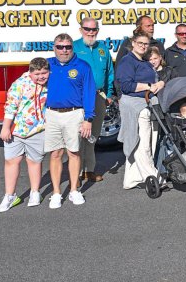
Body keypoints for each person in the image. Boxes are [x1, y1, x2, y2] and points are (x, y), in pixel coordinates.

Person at [45, 34, 96, 209]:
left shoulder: (82, 66)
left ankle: (74, 190)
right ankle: (56, 193)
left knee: (74, 153)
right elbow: (31, 83)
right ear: (54, 47)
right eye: (60, 47)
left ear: (72, 48)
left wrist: (88, 119)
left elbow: (89, 93)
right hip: (52, 114)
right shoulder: (47, 64)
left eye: (67, 47)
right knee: (55, 154)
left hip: (75, 114)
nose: (64, 50)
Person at [0, 58, 49, 212]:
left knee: (34, 161)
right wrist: (5, 127)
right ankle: (10, 195)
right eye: (37, 73)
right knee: (12, 161)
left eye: (44, 73)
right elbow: (10, 106)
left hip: (38, 130)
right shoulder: (19, 84)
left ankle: (35, 192)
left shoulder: (50, 84)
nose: (41, 76)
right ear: (30, 72)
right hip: (17, 131)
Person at [116, 32, 165, 190]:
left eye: (146, 43)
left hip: (148, 103)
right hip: (134, 106)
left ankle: (131, 179)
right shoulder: (127, 61)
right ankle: (153, 177)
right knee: (141, 144)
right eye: (140, 43)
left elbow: (154, 80)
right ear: (133, 42)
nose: (143, 46)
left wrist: (159, 84)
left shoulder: (144, 61)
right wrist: (148, 87)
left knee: (149, 142)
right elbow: (126, 86)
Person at [73, 17, 114, 183]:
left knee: (93, 135)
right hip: (79, 97)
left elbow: (110, 72)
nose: (90, 32)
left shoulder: (103, 48)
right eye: (87, 29)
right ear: (81, 29)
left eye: (93, 29)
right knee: (76, 135)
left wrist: (109, 94)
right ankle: (75, 172)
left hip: (99, 96)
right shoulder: (74, 47)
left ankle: (89, 170)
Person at [148, 46, 175, 175]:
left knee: (168, 137)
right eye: (150, 59)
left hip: (168, 107)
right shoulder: (147, 73)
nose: (153, 61)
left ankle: (170, 167)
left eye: (155, 58)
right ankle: (158, 168)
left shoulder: (168, 71)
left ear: (160, 58)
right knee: (156, 139)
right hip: (155, 109)